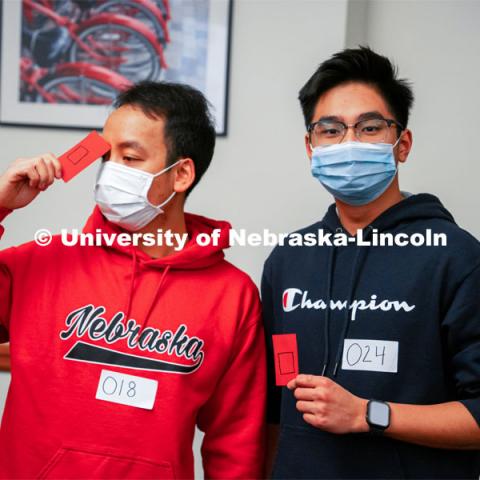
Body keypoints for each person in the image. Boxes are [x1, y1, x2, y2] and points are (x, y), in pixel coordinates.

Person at [0, 81, 266, 479]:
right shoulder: (42, 262)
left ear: (181, 174)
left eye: (130, 158)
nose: (110, 173)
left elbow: (236, 440)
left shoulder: (232, 295)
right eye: (107, 158)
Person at [262, 47, 480, 479]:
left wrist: (369, 414)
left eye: (370, 127)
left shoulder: (456, 259)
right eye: (330, 130)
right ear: (310, 147)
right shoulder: (288, 260)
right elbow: (276, 403)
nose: (349, 143)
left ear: (403, 144)